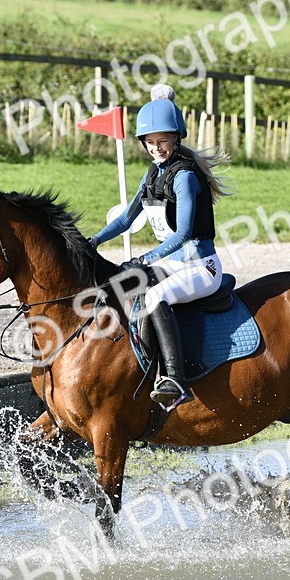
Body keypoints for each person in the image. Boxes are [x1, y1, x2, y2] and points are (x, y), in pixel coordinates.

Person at [88, 84, 231, 410]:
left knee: (154, 296)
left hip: (200, 267)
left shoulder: (184, 177)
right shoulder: (153, 174)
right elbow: (126, 219)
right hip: (170, 264)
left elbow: (182, 234)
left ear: (176, 138)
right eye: (151, 142)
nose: (157, 148)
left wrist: (145, 258)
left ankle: (176, 381)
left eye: (163, 141)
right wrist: (94, 240)